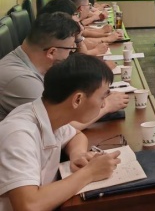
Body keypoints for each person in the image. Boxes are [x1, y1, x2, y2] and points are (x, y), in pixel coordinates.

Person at [0, 54, 121, 211]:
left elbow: (76, 135)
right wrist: (90, 173)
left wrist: (78, 154)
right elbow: (28, 205)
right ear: (77, 100)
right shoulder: (19, 134)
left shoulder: (50, 114)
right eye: (102, 97)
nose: (104, 104)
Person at [0, 13, 129, 124]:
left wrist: (97, 96)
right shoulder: (21, 80)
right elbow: (60, 124)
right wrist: (107, 106)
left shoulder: (34, 62)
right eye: (70, 49)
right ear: (52, 52)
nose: (71, 54)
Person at [38, 0, 109, 57]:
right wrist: (96, 50)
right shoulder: (61, 39)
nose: (78, 19)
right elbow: (80, 58)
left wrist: (78, 38)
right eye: (76, 14)